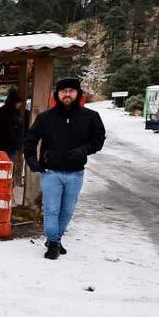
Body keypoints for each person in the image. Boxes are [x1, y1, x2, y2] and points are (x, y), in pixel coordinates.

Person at [23, 76, 106, 260]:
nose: (67, 95)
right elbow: (30, 139)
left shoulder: (90, 117)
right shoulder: (46, 118)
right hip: (51, 172)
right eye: (63, 91)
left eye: (71, 91)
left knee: (67, 211)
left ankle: (55, 239)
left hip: (76, 173)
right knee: (52, 209)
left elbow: (98, 140)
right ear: (57, 94)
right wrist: (31, 159)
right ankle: (53, 243)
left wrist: (83, 150)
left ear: (78, 94)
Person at [0, 89, 25, 160]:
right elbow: (10, 131)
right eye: (19, 103)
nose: (20, 105)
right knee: (7, 164)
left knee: (4, 164)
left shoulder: (2, 111)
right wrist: (16, 142)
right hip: (9, 146)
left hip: (2, 144)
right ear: (14, 102)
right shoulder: (11, 114)